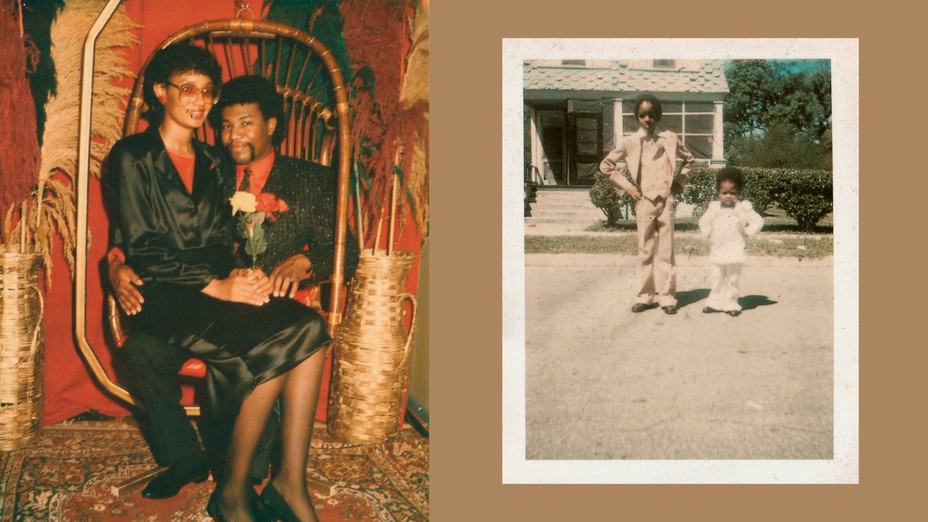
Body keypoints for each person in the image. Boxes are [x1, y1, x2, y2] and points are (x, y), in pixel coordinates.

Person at [104, 45, 337, 522]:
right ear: (160, 93)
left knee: (310, 329)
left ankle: (289, 481)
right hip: (161, 295)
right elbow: (143, 246)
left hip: (212, 289)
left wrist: (237, 276)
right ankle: (232, 491)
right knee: (272, 342)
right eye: (187, 89)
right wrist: (213, 285)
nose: (200, 100)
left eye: (206, 91)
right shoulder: (132, 156)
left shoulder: (213, 161)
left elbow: (217, 239)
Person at [599, 93, 694, 314]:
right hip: (644, 201)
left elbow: (689, 159)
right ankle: (645, 296)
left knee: (667, 250)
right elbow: (606, 165)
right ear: (637, 117)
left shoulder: (669, 138)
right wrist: (627, 186)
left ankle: (668, 297)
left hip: (666, 200)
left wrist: (679, 181)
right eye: (642, 115)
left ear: (658, 116)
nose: (647, 119)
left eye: (652, 115)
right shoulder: (630, 142)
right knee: (645, 250)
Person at [697, 167, 764, 317]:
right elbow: (704, 221)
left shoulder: (743, 208)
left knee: (732, 278)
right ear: (718, 192)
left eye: (732, 193)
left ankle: (731, 303)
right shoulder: (713, 208)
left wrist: (746, 231)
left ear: (738, 192)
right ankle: (714, 302)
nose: (728, 196)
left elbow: (758, 221)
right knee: (717, 276)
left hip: (735, 249)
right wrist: (708, 232)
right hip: (718, 247)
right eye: (724, 193)